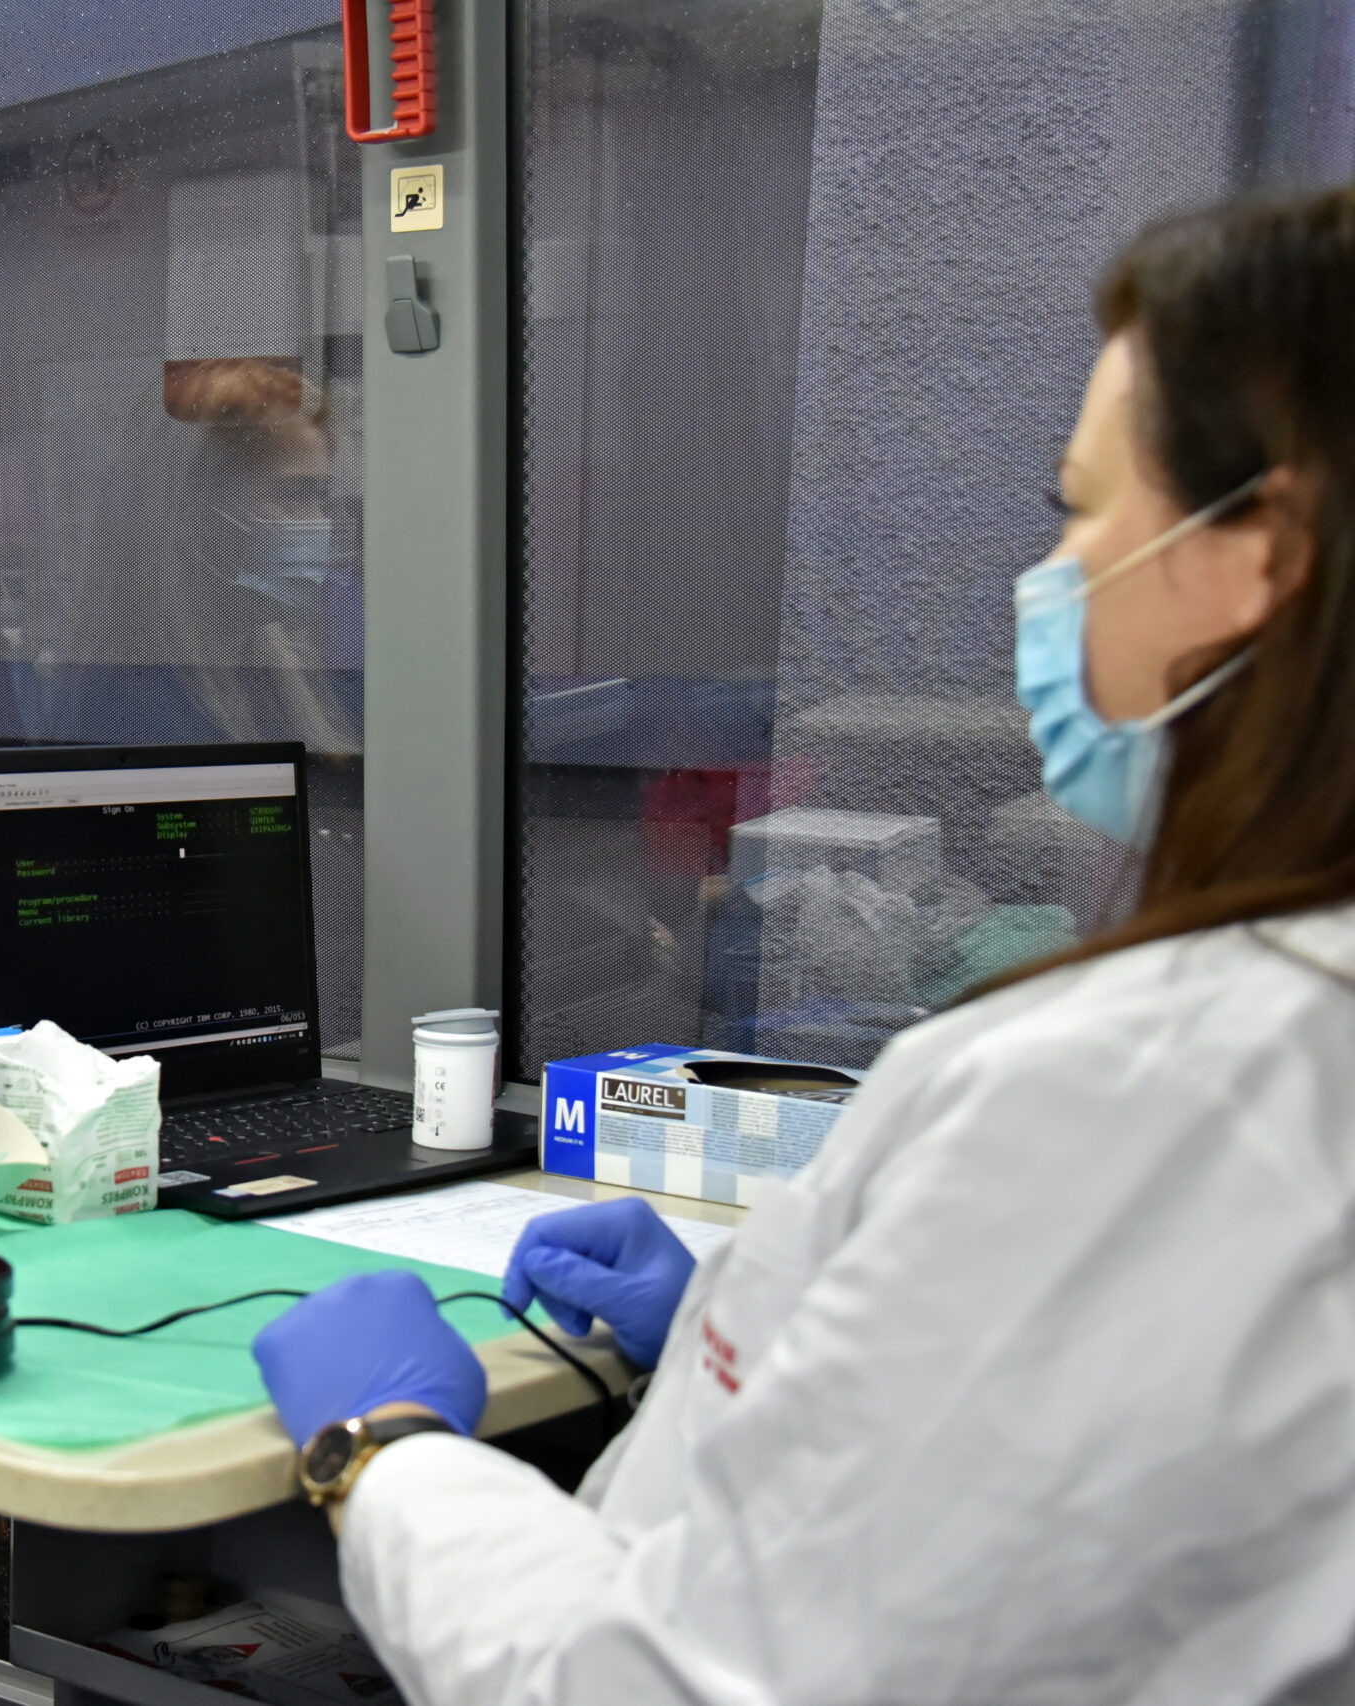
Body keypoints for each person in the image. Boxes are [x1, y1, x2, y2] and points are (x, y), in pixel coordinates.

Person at [253, 185, 1355, 1703]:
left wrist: (379, 1452)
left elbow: (661, 1686)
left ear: (1263, 557)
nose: (1053, 577)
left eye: (1084, 508)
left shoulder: (1136, 1091)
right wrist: (734, 1313)